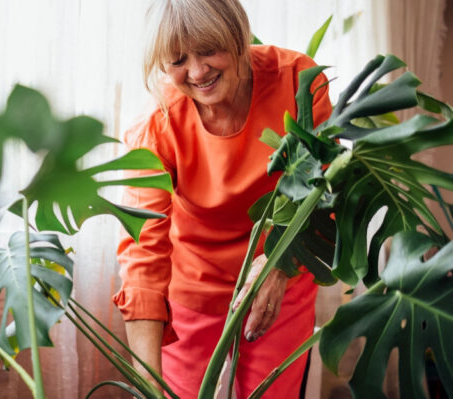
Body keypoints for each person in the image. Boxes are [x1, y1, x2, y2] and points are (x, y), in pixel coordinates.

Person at [112, 0, 332, 397]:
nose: (197, 72)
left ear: (237, 36)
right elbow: (143, 252)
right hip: (194, 288)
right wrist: (147, 382)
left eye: (209, 50)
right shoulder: (156, 126)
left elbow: (324, 194)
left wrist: (280, 266)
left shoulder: (298, 83)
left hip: (280, 274)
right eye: (177, 60)